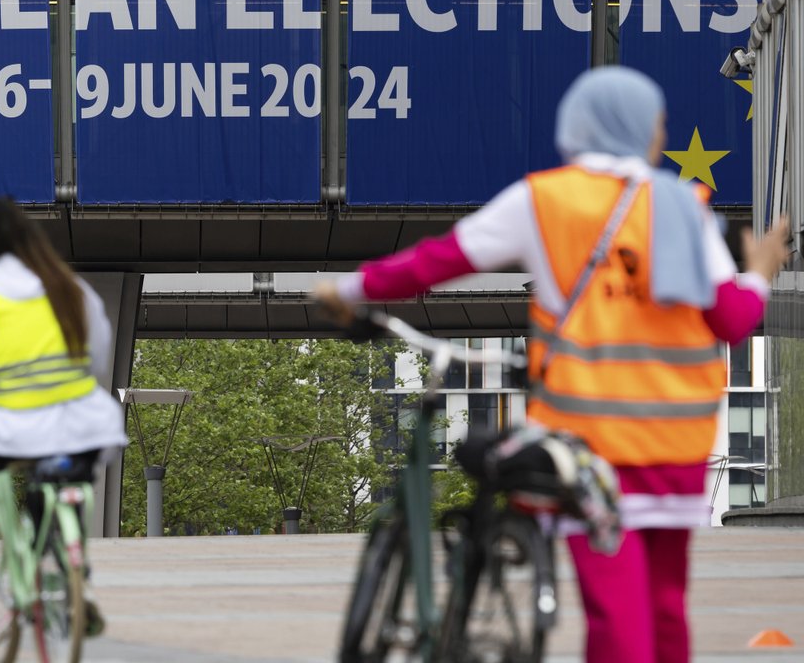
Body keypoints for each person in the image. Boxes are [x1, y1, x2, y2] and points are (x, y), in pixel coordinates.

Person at [317, 66, 790, 663]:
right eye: (658, 124)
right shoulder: (684, 207)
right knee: (664, 606)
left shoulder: (543, 200)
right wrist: (760, 272)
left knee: (615, 612)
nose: (660, 135)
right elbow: (731, 320)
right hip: (677, 447)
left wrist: (352, 290)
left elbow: (440, 261)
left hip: (591, 452)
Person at [0, 197, 127, 583]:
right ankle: (67, 572)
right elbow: (98, 358)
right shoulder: (71, 287)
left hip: (13, 426)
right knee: (52, 477)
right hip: (84, 426)